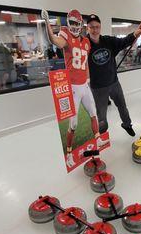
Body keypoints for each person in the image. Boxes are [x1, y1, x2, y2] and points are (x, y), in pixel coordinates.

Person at [41, 9, 108, 168]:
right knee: (74, 124)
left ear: (81, 25)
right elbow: (55, 41)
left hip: (84, 85)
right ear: (67, 23)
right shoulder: (65, 34)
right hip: (72, 87)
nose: (75, 26)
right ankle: (69, 154)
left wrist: (89, 79)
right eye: (72, 23)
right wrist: (47, 24)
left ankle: (97, 138)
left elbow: (85, 64)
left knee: (94, 114)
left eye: (77, 23)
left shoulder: (85, 42)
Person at [85, 14, 141, 137]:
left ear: (100, 27)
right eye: (92, 27)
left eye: (97, 27)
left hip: (114, 82)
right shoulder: (84, 45)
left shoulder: (108, 41)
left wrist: (135, 34)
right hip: (98, 87)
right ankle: (102, 135)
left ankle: (127, 124)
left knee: (122, 106)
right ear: (87, 28)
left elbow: (124, 41)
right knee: (101, 115)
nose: (95, 30)